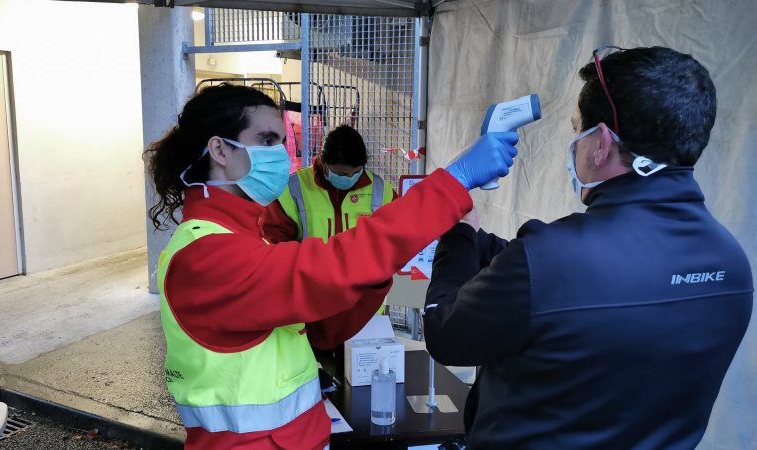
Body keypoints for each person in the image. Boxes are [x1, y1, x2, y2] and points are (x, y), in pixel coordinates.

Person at [143, 83, 519, 450]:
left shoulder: (243, 237)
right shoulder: (205, 255)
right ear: (220, 149)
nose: (279, 154)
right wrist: (454, 182)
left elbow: (321, 332)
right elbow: (328, 265)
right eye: (268, 140)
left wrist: (375, 273)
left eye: (281, 142)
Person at [423, 46, 753, 449]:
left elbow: (445, 334)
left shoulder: (548, 260)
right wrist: (487, 246)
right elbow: (589, 287)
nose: (574, 144)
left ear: (600, 143)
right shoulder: (731, 265)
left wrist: (458, 234)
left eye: (576, 130)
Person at [263, 124, 398, 244]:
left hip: (365, 272)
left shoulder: (382, 191)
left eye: (357, 172)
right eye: (341, 174)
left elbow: (395, 236)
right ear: (323, 162)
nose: (350, 178)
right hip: (312, 271)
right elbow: (274, 234)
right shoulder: (293, 188)